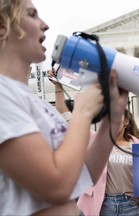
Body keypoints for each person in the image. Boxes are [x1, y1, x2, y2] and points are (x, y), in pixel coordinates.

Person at [0, 1, 128, 215]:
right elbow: (57, 186)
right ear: (2, 26)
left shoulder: (37, 105)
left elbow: (83, 176)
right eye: (32, 15)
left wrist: (113, 119)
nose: (45, 25)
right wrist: (83, 111)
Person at [77, 108, 139, 216]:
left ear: (126, 121)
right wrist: (59, 91)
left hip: (132, 207)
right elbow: (72, 123)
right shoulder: (95, 140)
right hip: (104, 206)